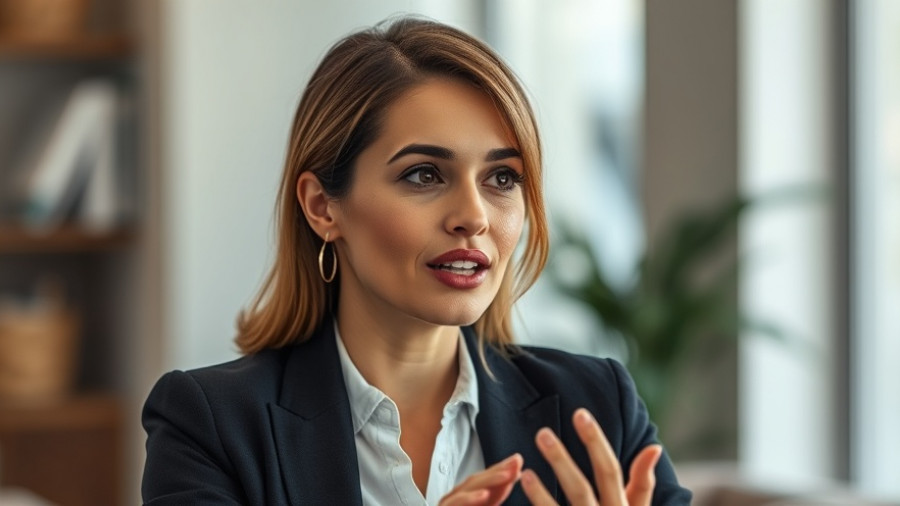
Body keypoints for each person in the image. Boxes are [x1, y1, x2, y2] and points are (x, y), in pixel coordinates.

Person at [141, 16, 692, 506]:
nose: (473, 216)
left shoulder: (598, 408)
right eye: (424, 175)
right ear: (321, 207)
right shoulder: (210, 424)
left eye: (502, 178)